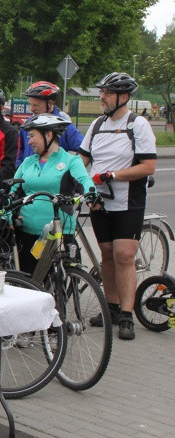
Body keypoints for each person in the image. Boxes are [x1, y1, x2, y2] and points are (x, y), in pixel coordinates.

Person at [79, 72, 157, 340]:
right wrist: (79, 181)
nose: (102, 97)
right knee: (107, 253)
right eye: (102, 92)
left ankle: (127, 314)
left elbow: (148, 166)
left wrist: (113, 174)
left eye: (107, 93)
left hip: (128, 200)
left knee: (124, 254)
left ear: (123, 97)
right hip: (100, 200)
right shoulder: (98, 124)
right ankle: (111, 308)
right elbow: (83, 159)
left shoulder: (138, 125)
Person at [10, 114, 93, 275]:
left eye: (32, 136)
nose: (29, 142)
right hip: (28, 232)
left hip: (59, 233)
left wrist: (91, 193)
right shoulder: (28, 162)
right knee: (30, 282)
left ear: (48, 135)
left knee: (56, 280)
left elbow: (84, 181)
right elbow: (13, 191)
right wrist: (7, 211)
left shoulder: (71, 161)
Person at [16, 81, 83, 167]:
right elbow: (20, 152)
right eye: (31, 105)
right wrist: (20, 170)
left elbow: (83, 149)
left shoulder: (63, 125)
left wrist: (69, 170)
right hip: (28, 178)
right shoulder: (27, 125)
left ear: (50, 103)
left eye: (36, 105)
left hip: (53, 179)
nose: (32, 109)